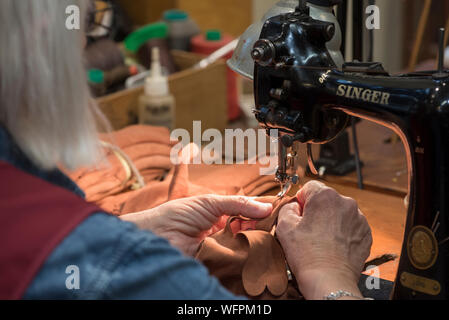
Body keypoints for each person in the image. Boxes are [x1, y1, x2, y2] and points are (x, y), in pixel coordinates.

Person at [0, 0, 372, 300]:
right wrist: (329, 277)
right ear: (41, 36)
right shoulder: (116, 267)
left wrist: (142, 229)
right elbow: (94, 257)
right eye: (84, 22)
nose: (82, 42)